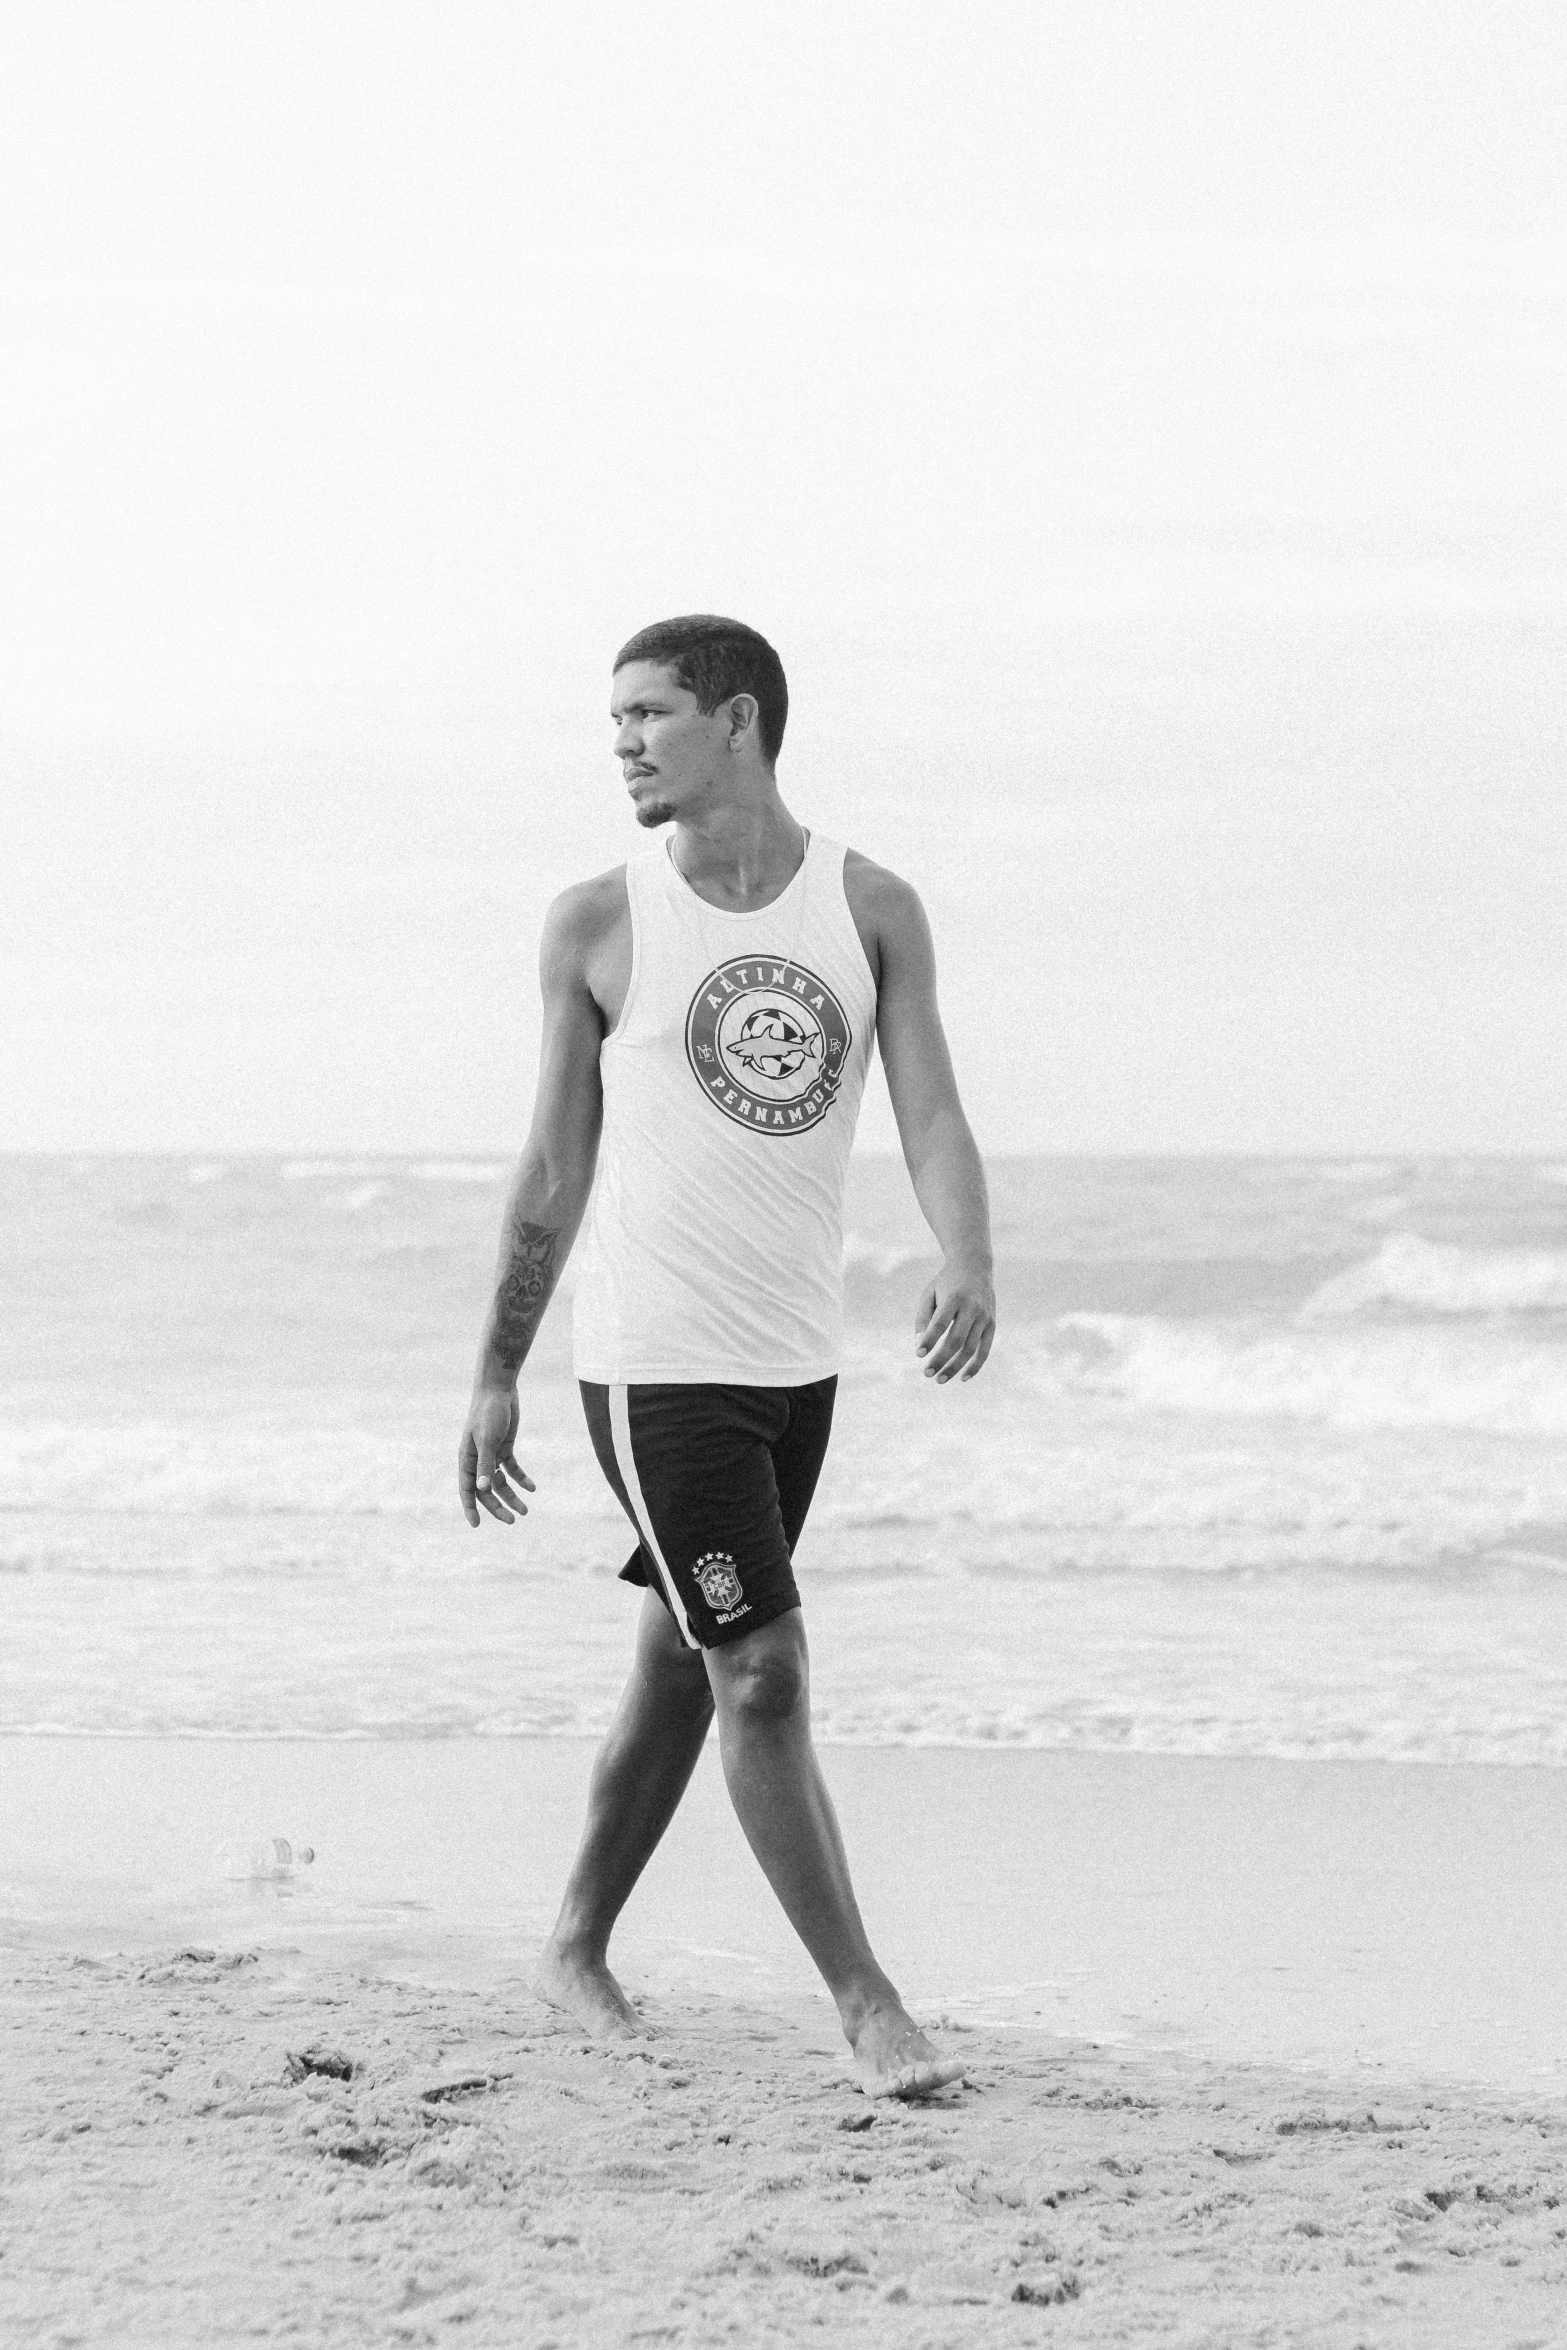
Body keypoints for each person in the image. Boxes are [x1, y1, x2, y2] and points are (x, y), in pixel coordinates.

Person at [458, 615, 996, 2098]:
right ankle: (868, 2003)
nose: (621, 741)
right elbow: (551, 1168)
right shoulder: (598, 921)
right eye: (614, 717)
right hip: (651, 1361)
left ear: (738, 720)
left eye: (648, 713)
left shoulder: (868, 905)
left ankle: (572, 1942)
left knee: (682, 1660)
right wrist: (499, 1364)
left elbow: (932, 1113)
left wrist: (967, 1252)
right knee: (757, 1666)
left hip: (791, 1364)